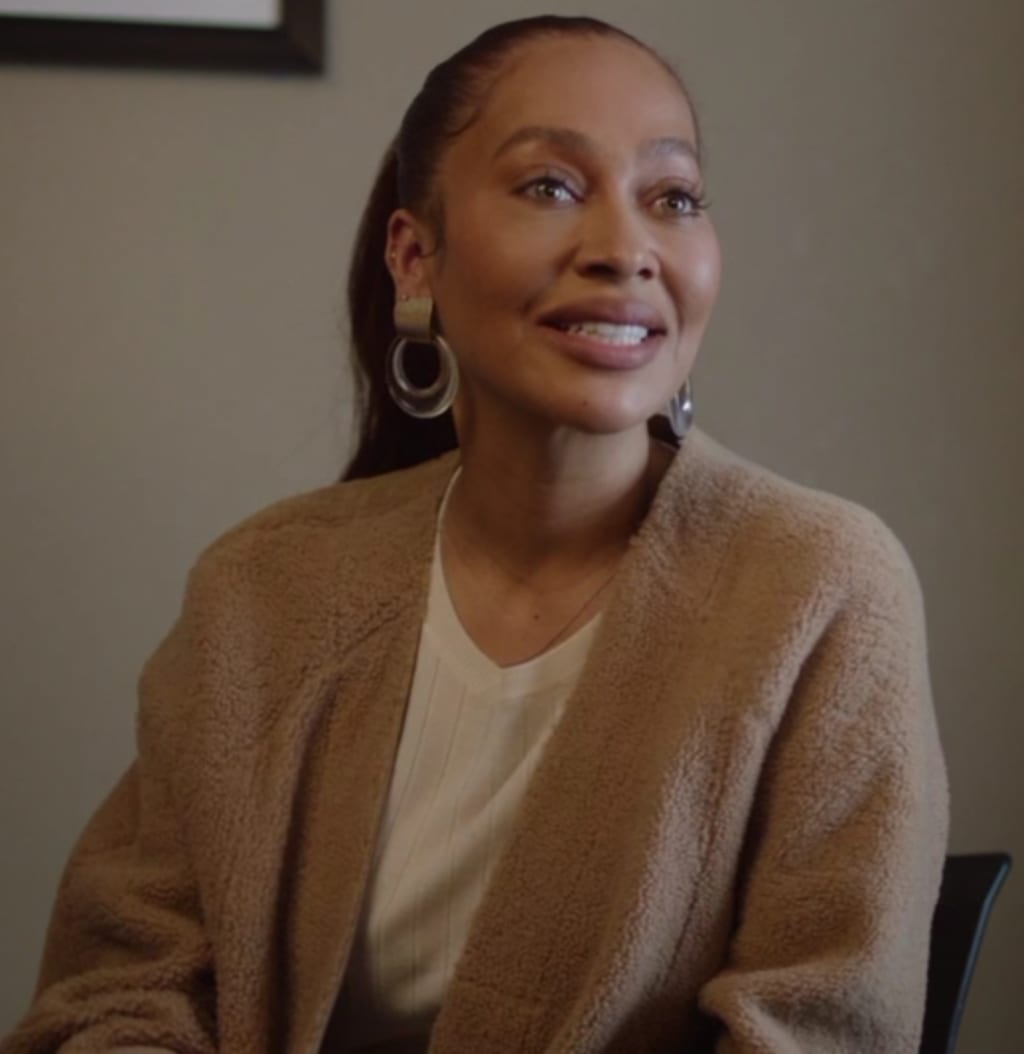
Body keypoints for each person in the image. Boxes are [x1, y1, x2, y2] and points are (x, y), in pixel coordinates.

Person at [3, 15, 948, 1054]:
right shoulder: (261, 591)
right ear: (416, 258)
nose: (625, 249)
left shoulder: (819, 590)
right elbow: (121, 990)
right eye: (551, 186)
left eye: (672, 197)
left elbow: (815, 1032)